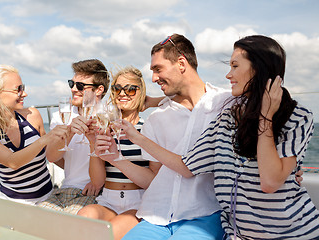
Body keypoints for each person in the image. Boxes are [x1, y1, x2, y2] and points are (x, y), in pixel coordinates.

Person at [102, 35, 319, 239]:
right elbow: (180, 168)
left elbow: (270, 180)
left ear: (181, 63)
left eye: (235, 66)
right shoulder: (219, 116)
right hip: (197, 223)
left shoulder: (238, 106)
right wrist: (147, 112)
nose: (228, 74)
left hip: (273, 228)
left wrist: (288, 165)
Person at [96, 34, 229, 239]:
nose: (154, 78)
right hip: (156, 215)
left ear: (182, 63)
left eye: (158, 69)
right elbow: (153, 179)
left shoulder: (224, 104)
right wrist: (115, 158)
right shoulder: (157, 119)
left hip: (205, 214)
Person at [0, 65, 68, 205]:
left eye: (24, 87)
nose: (24, 94)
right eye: (18, 89)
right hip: (14, 204)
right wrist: (45, 139)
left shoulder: (32, 115)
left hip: (49, 197)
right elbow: (13, 162)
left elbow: (51, 156)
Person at [77, 66, 162, 240]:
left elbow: (154, 181)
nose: (123, 93)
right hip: (108, 199)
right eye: (117, 88)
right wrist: (93, 142)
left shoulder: (149, 129)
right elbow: (97, 181)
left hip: (139, 201)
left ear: (141, 92)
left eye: (130, 89)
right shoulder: (104, 128)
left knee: (109, 233)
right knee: (82, 219)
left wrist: (149, 102)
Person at [37, 59, 109, 214]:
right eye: (72, 84)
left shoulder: (109, 117)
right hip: (66, 189)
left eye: (80, 86)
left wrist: (97, 183)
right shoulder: (62, 116)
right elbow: (51, 156)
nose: (74, 89)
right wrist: (69, 131)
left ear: (98, 90)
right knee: (35, 218)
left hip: (96, 192)